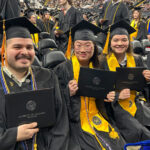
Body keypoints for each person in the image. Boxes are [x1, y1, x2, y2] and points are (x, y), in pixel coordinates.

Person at [55, 20, 126, 150]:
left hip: (98, 114)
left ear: (94, 47)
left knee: (117, 143)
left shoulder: (101, 66)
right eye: (78, 45)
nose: (83, 50)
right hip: (75, 120)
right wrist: (67, 92)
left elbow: (111, 91)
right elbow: (54, 100)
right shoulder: (62, 69)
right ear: (73, 46)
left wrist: (111, 96)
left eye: (88, 45)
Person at [0, 17, 69, 150]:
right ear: (3, 50)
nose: (25, 52)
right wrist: (13, 135)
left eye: (29, 47)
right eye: (17, 47)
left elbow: (61, 124)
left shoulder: (48, 76)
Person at [99, 20, 150, 142]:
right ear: (110, 42)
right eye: (116, 40)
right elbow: (99, 90)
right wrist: (117, 95)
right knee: (138, 131)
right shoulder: (102, 62)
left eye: (124, 40)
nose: (120, 43)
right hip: (113, 107)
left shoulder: (137, 60)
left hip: (135, 102)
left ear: (129, 42)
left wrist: (147, 80)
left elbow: (143, 88)